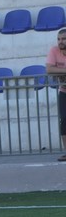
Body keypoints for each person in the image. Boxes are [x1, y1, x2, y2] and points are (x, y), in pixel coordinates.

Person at [45, 28, 66, 161]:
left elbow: (54, 70)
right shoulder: (54, 51)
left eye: (63, 39)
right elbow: (49, 69)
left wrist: (60, 72)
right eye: (58, 39)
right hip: (64, 91)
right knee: (64, 121)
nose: (60, 42)